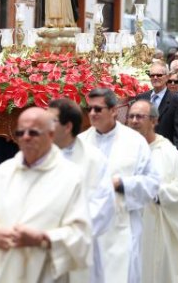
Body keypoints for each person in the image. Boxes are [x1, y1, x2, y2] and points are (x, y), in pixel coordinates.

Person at [0, 107, 91, 282]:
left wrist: (43, 238)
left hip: (46, 273)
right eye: (20, 132)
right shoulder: (1, 173)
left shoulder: (72, 177)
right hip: (4, 272)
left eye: (33, 132)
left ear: (50, 135)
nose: (26, 137)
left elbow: (81, 235)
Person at [79, 88, 160, 283]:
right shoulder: (80, 143)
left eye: (98, 109)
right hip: (88, 229)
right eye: (89, 109)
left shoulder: (134, 142)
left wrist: (122, 183)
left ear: (114, 110)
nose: (92, 114)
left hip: (123, 226)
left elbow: (152, 184)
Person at [48, 98, 115, 283]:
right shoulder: (38, 156)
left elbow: (102, 206)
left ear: (68, 126)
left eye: (50, 121)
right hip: (43, 250)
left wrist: (63, 233)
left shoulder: (93, 159)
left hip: (80, 248)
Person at [127, 100, 178, 282]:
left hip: (157, 226)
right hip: (124, 228)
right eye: (131, 116)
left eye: (140, 116)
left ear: (154, 121)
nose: (134, 120)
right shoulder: (122, 149)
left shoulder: (166, 151)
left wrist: (157, 193)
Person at [136, 63, 178, 152]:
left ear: (167, 77)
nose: (155, 77)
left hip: (164, 152)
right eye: (152, 75)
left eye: (159, 75)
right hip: (141, 150)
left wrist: (175, 156)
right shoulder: (141, 98)